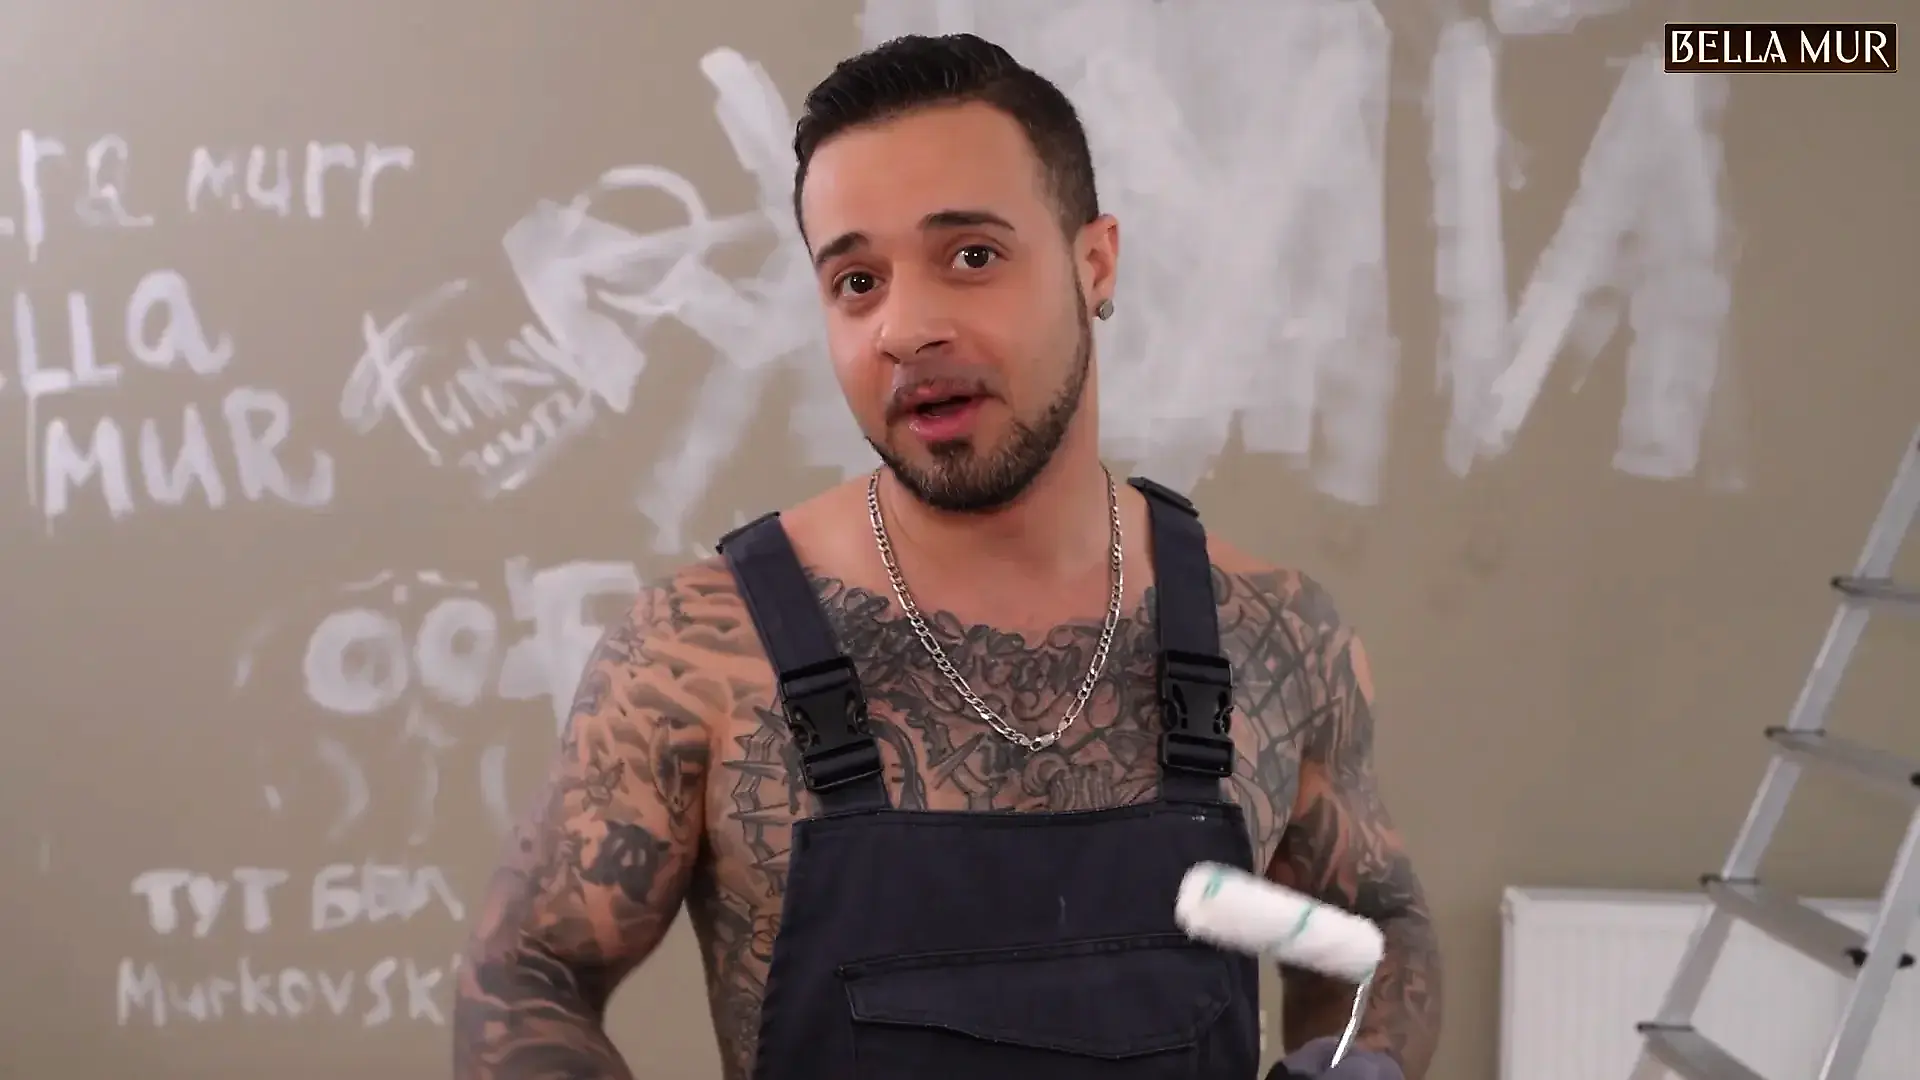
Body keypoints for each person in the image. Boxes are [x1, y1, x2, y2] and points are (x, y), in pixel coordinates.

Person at [452, 32, 1442, 1080]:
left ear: (1094, 263)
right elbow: (529, 973)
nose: (906, 328)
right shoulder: (696, 655)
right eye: (857, 281)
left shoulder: (1269, 636)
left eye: (971, 256)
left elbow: (1376, 935)